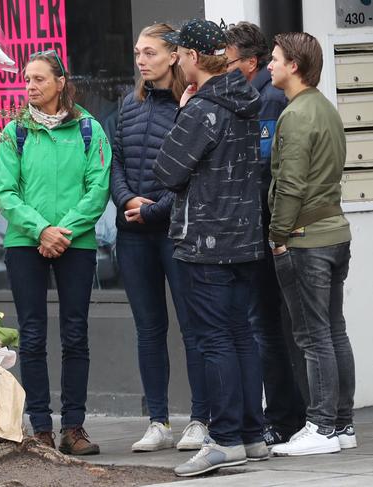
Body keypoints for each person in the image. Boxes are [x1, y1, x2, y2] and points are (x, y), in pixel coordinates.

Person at [153, 19, 267, 476]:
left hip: (205, 239)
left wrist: (184, 111)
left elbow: (167, 171)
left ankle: (223, 439)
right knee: (240, 334)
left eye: (180, 54)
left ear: (195, 58)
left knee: (216, 338)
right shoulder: (244, 101)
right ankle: (252, 435)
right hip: (244, 237)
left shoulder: (203, 107)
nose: (177, 60)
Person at [0, 50, 111, 455]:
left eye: (39, 79)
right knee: (32, 335)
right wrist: (41, 229)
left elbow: (99, 188)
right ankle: (41, 427)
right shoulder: (15, 132)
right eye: (27, 79)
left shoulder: (89, 130)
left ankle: (73, 428)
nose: (30, 86)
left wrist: (65, 231)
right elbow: (4, 192)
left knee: (75, 334)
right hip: (26, 243)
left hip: (75, 243)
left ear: (61, 82)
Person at [111, 22, 210, 453]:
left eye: (149, 52)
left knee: (193, 328)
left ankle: (201, 420)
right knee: (148, 329)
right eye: (137, 53)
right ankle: (158, 420)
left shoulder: (190, 106)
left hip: (175, 232)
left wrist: (152, 209)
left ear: (174, 56)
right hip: (133, 235)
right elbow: (112, 162)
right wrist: (127, 200)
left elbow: (192, 174)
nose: (141, 60)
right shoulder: (127, 105)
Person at [267, 32, 357, 456]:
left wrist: (277, 236)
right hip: (335, 233)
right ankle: (341, 425)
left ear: (294, 66)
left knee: (312, 335)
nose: (269, 65)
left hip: (306, 239)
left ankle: (321, 427)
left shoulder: (296, 115)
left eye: (275, 59)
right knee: (334, 330)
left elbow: (290, 184)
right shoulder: (325, 108)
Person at [225, 22, 307, 447]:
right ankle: (287, 415)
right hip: (257, 228)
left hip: (264, 230)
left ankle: (284, 418)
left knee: (266, 326)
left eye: (229, 60)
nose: (223, 66)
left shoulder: (268, 100)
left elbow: (264, 171)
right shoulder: (251, 96)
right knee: (267, 326)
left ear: (250, 62)